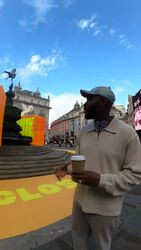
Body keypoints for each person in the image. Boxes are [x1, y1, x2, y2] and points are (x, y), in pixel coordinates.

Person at [55, 86, 141, 250]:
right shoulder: (84, 131)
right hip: (79, 201)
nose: (85, 105)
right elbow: (79, 161)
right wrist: (67, 169)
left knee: (102, 246)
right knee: (77, 243)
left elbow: (135, 174)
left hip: (106, 208)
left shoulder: (128, 133)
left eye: (89, 100)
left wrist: (100, 180)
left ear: (103, 102)